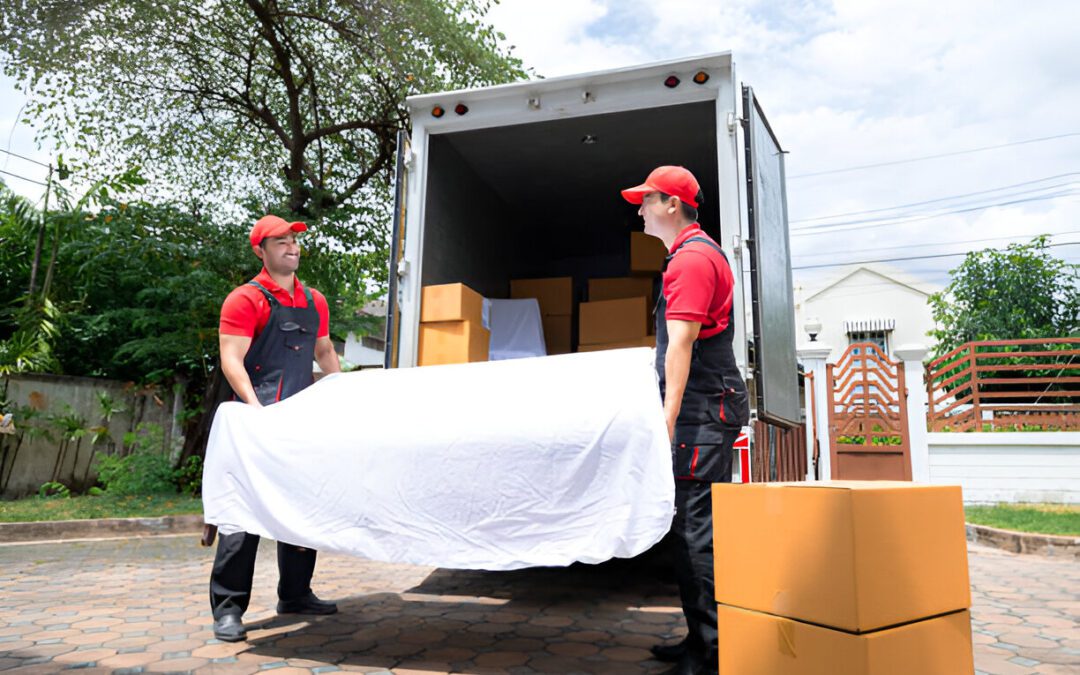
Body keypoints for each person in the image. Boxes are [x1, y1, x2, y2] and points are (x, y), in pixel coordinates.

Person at [621, 166, 749, 675]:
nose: (640, 210)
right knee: (690, 529)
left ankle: (710, 653)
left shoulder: (692, 260)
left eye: (646, 200)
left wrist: (667, 418)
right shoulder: (692, 253)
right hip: (703, 405)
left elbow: (681, 344)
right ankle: (700, 636)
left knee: (695, 533)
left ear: (672, 204)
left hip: (699, 410)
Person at [208, 214, 342, 642]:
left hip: (301, 421)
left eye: (294, 241)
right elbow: (232, 358)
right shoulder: (245, 299)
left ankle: (296, 593)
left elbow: (323, 350)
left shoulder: (314, 300)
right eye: (280, 241)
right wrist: (255, 409)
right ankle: (228, 608)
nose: (291, 247)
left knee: (305, 507)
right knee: (242, 515)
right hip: (254, 421)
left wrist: (341, 393)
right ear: (260, 250)